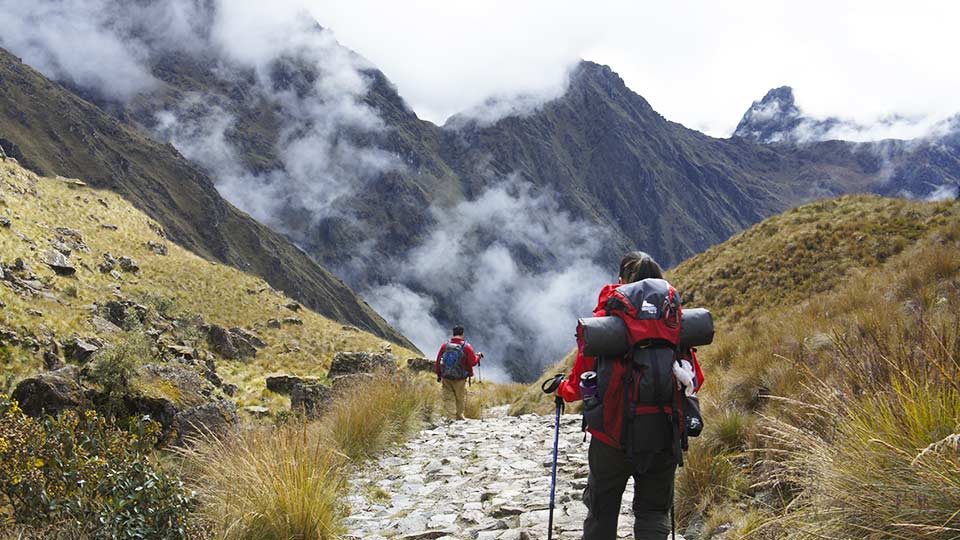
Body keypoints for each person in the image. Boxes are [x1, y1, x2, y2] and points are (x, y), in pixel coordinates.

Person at [555, 251, 684, 540]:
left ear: (621, 281)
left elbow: (578, 384)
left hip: (611, 434)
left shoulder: (606, 321)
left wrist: (562, 388)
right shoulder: (672, 322)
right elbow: (694, 378)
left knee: (602, 509)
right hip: (663, 431)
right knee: (653, 512)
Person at [435, 325, 483, 420]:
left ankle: (450, 417)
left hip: (446, 376)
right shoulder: (466, 346)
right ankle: (459, 416)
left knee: (448, 397)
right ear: (462, 333)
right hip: (460, 377)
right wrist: (478, 357)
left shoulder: (445, 345)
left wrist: (439, 374)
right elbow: (473, 362)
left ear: (453, 333)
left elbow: (438, 361)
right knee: (460, 397)